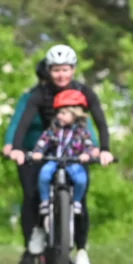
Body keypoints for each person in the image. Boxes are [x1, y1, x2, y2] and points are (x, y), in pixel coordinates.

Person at [9, 45, 114, 264]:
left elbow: (100, 122)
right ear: (49, 70)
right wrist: (17, 148)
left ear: (73, 70)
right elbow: (23, 120)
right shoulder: (39, 94)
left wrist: (103, 149)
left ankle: (82, 250)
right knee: (36, 190)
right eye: (56, 70)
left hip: (76, 151)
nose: (61, 75)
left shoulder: (85, 92)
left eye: (65, 69)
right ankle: (38, 231)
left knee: (81, 198)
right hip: (50, 149)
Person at [31, 89, 99, 226]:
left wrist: (87, 154)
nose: (59, 116)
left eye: (63, 113)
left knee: (81, 179)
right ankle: (45, 201)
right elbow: (44, 141)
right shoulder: (53, 129)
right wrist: (38, 152)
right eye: (58, 113)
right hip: (54, 160)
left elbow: (89, 145)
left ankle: (77, 201)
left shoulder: (81, 131)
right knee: (44, 174)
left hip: (73, 162)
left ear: (74, 114)